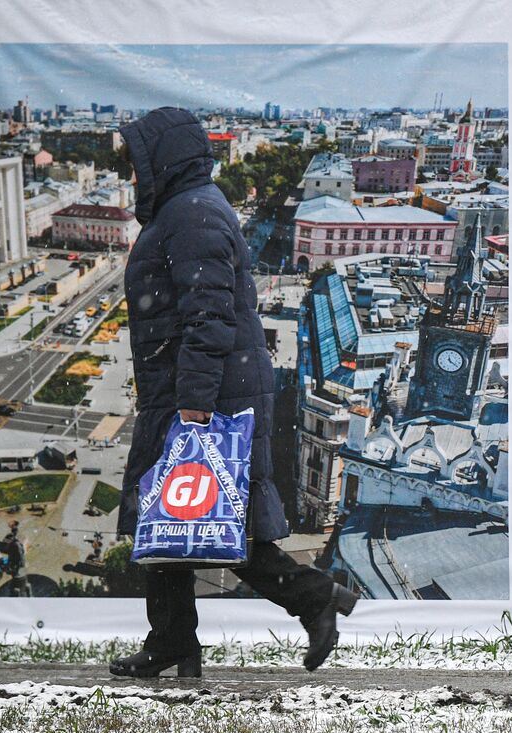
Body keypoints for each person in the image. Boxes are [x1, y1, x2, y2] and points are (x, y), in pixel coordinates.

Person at [109, 107, 356, 679]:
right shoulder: (186, 207)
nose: (131, 172)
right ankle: (173, 642)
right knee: (171, 521)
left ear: (161, 158)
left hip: (202, 391)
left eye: (137, 159)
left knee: (216, 524)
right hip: (193, 384)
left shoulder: (191, 214)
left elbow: (209, 317)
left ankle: (313, 596)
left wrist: (192, 401)